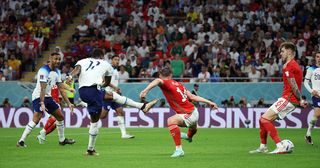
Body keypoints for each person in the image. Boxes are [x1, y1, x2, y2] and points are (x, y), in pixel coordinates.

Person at [67, 49, 158, 156]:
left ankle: (90, 149)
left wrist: (70, 76)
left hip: (83, 91)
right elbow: (107, 82)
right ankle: (142, 106)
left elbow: (77, 69)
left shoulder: (83, 61)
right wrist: (103, 85)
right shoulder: (105, 64)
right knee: (107, 104)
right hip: (94, 90)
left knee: (99, 114)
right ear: (102, 56)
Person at [139, 67, 218, 157]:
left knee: (171, 121)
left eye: (160, 76)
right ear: (171, 75)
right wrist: (209, 102)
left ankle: (179, 150)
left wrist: (145, 91)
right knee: (193, 129)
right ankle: (188, 137)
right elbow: (192, 97)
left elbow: (157, 80)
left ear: (161, 75)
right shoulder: (179, 84)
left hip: (189, 114)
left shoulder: (165, 82)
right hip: (194, 111)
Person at [249, 42, 306, 154]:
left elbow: (294, 85)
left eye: (283, 51)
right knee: (263, 121)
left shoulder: (289, 66)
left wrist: (300, 100)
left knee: (264, 119)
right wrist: (300, 100)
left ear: (290, 51)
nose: (281, 53)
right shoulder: (294, 65)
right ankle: (263, 146)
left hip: (288, 99)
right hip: (288, 98)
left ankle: (280, 145)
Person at [17, 53, 75, 148]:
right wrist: (42, 103)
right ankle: (21, 141)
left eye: (59, 59)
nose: (57, 61)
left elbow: (61, 86)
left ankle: (62, 140)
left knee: (60, 117)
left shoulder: (56, 72)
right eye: (55, 59)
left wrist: (69, 94)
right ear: (50, 59)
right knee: (36, 118)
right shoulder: (43, 70)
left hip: (48, 97)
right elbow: (43, 88)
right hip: (38, 96)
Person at [100, 55, 134, 139]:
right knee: (103, 116)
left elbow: (114, 82)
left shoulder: (115, 71)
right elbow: (104, 81)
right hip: (107, 94)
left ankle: (124, 134)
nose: (117, 61)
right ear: (111, 60)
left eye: (118, 60)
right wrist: (115, 88)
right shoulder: (108, 69)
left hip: (114, 95)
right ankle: (87, 106)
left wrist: (117, 90)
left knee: (120, 111)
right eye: (115, 59)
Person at [304, 52, 320, 145]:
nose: (319, 58)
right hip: (316, 95)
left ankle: (307, 135)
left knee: (316, 116)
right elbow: (305, 83)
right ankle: (308, 134)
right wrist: (311, 91)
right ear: (315, 58)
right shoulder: (311, 69)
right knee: (317, 114)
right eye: (318, 57)